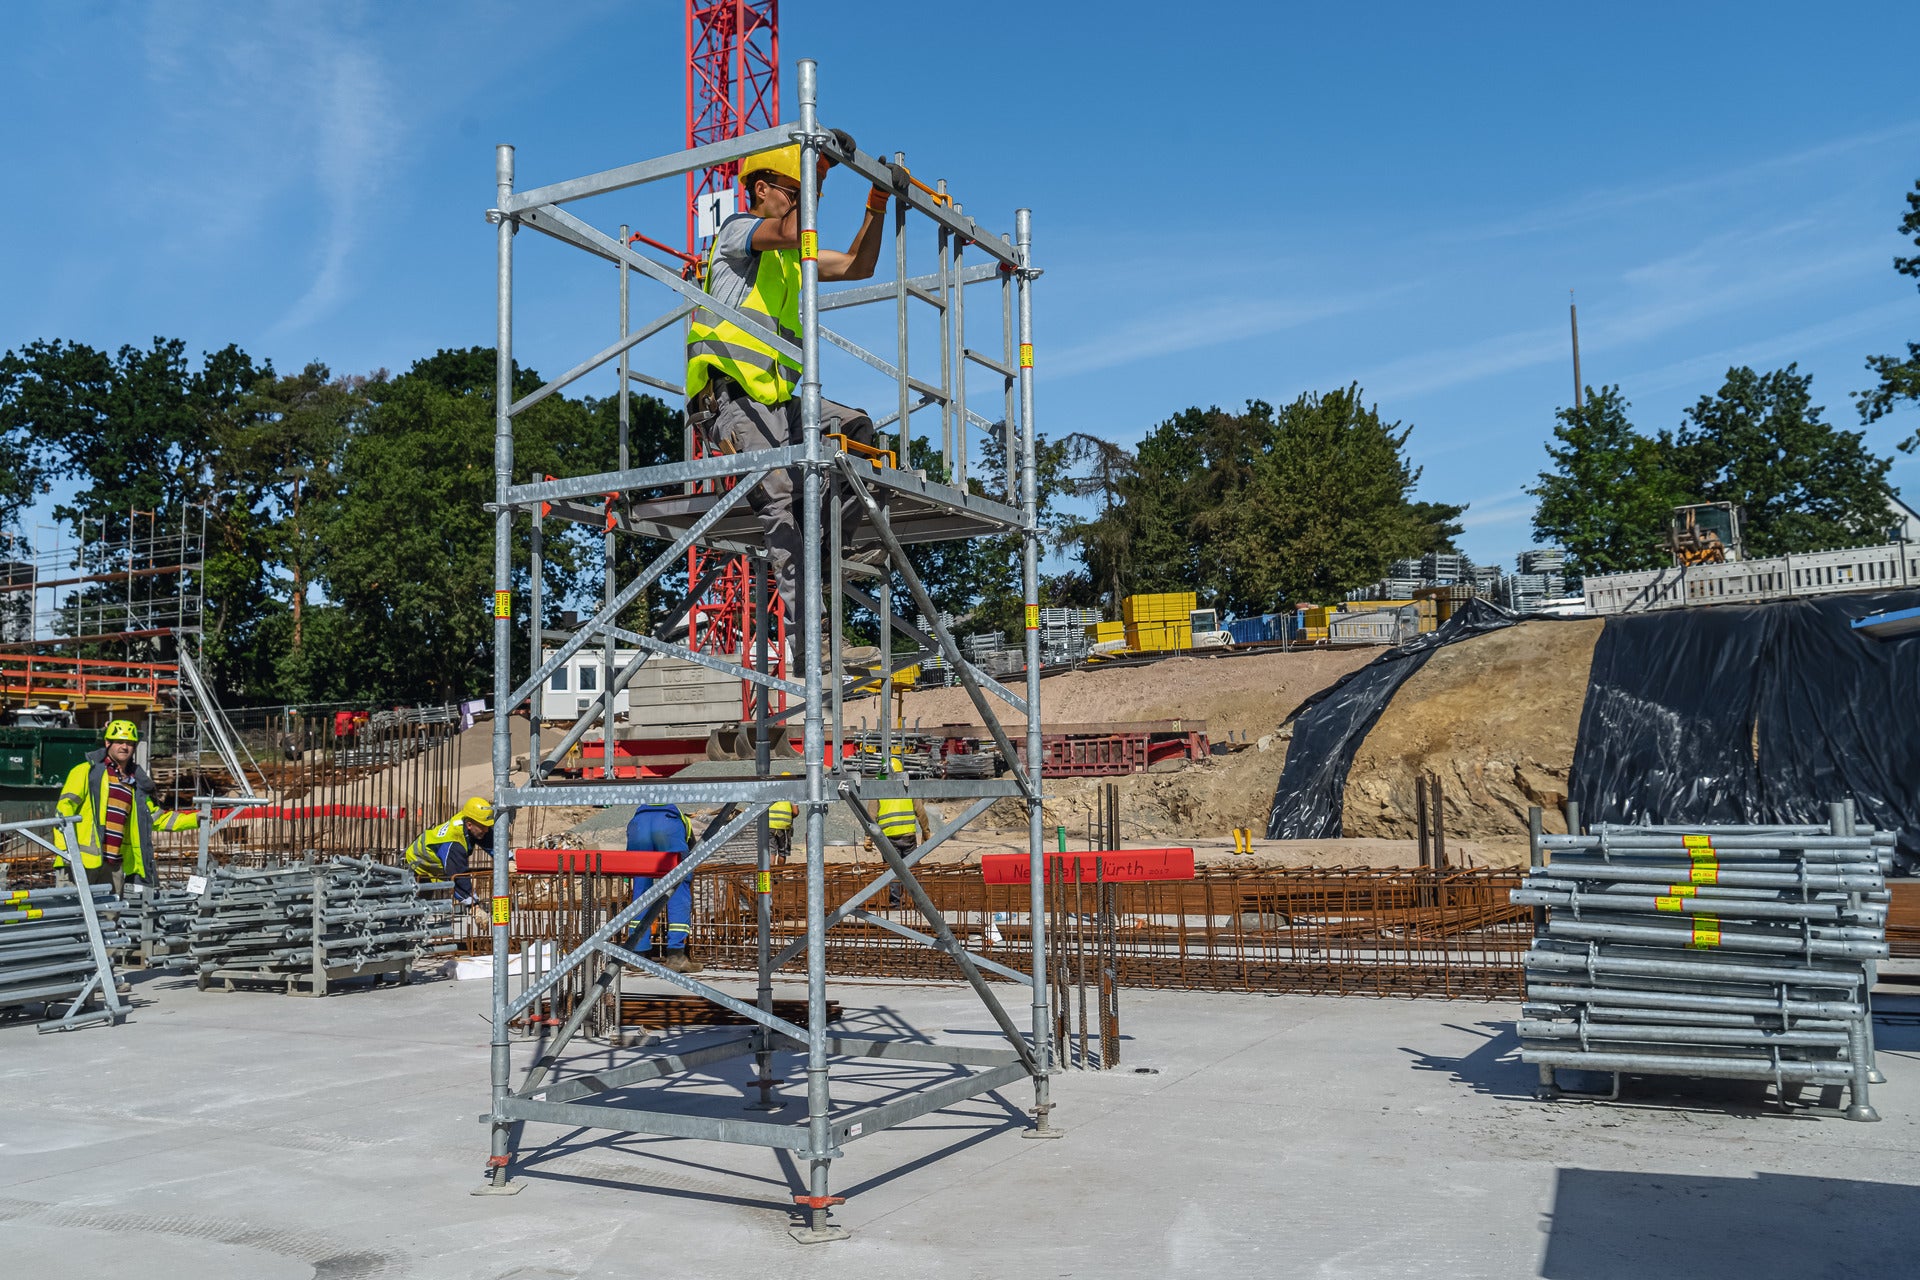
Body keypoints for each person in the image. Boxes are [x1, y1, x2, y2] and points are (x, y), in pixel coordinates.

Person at [685, 136, 893, 628]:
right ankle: (808, 634)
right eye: (794, 190)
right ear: (762, 189)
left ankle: (825, 557)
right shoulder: (737, 232)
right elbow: (791, 228)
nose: (803, 201)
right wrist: (818, 170)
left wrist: (876, 207)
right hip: (730, 404)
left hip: (780, 403)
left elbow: (860, 265)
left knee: (858, 433)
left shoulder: (793, 261)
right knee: (780, 501)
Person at [53, 718, 198, 895]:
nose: (125, 747)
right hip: (79, 862)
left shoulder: (135, 783)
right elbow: (63, 812)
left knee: (109, 918)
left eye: (129, 743)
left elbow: (156, 819)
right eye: (120, 742)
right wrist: (66, 852)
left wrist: (196, 819)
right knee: (71, 915)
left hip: (114, 866)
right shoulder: (86, 772)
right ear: (108, 743)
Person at [628, 801, 699, 973]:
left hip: (638, 827)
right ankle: (676, 956)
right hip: (669, 827)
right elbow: (692, 851)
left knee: (641, 889)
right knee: (678, 887)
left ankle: (638, 956)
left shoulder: (639, 815)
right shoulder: (683, 820)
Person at [403, 797, 495, 904]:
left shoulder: (469, 818)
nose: (486, 830)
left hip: (431, 867)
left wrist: (509, 859)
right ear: (469, 825)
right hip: (413, 865)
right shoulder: (454, 844)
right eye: (483, 827)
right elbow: (459, 877)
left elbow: (490, 841)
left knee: (422, 907)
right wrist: (474, 905)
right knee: (406, 905)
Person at [869, 756, 930, 907]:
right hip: (908, 835)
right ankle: (920, 901)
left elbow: (870, 816)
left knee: (893, 869)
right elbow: (920, 811)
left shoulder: (878, 789)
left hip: (888, 837)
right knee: (913, 868)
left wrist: (867, 838)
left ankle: (895, 903)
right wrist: (926, 831)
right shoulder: (907, 787)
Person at [767, 772, 796, 865]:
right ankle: (779, 876)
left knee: (771, 851)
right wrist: (789, 817)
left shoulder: (771, 791)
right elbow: (795, 812)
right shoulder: (791, 793)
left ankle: (769, 875)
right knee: (782, 852)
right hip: (783, 827)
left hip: (769, 825)